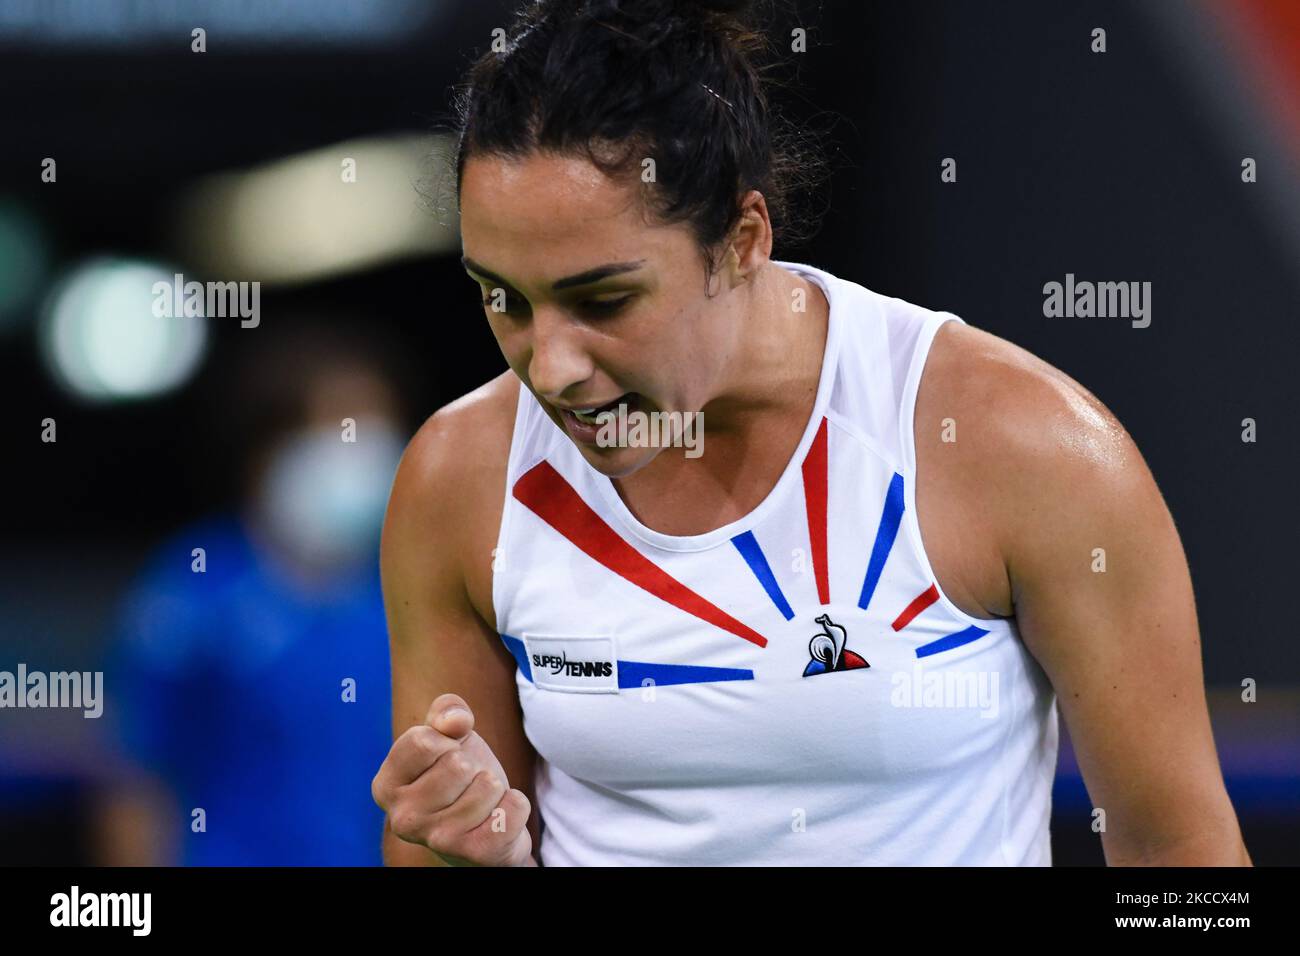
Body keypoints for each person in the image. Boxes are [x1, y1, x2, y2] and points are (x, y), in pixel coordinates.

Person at [371, 0, 1251, 866]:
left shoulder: (1024, 447)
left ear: (743, 238)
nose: (551, 365)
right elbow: (442, 852)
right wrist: (458, 852)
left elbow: (1180, 857)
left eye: (603, 300)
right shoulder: (461, 480)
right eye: (503, 298)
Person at [99, 326, 406, 865]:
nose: (364, 457)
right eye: (343, 430)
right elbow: (138, 781)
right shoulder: (191, 592)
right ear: (270, 449)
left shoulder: (407, 590)